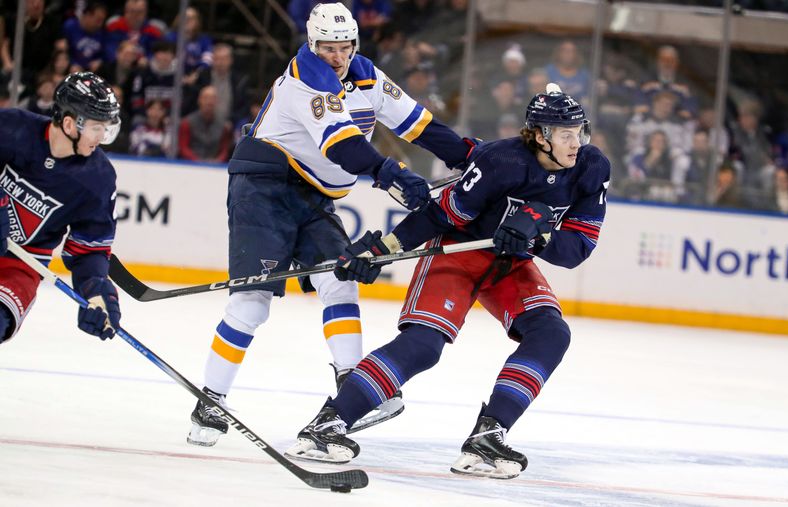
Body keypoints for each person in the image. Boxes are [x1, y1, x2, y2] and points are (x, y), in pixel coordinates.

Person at [286, 84, 611, 480]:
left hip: (512, 263)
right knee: (424, 345)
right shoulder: (501, 161)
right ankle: (329, 423)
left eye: (579, 132)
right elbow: (440, 216)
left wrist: (538, 235)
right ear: (541, 136)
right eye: (565, 134)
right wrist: (382, 250)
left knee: (551, 333)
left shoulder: (592, 167)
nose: (576, 142)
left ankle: (488, 435)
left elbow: (577, 249)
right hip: (462, 250)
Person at [186, 2, 475, 447]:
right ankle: (211, 399)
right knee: (252, 302)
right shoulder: (305, 80)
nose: (336, 57)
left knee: (339, 281)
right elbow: (342, 146)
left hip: (313, 196)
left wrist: (476, 159)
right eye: (327, 48)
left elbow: (420, 126)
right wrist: (391, 175)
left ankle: (352, 387)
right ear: (310, 43)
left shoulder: (367, 76)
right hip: (263, 188)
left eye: (344, 48)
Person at [0, 72, 122, 345]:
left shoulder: (98, 179)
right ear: (69, 124)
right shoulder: (11, 127)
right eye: (96, 127)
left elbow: (89, 250)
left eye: (106, 128)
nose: (102, 137)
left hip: (19, 265)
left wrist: (95, 290)